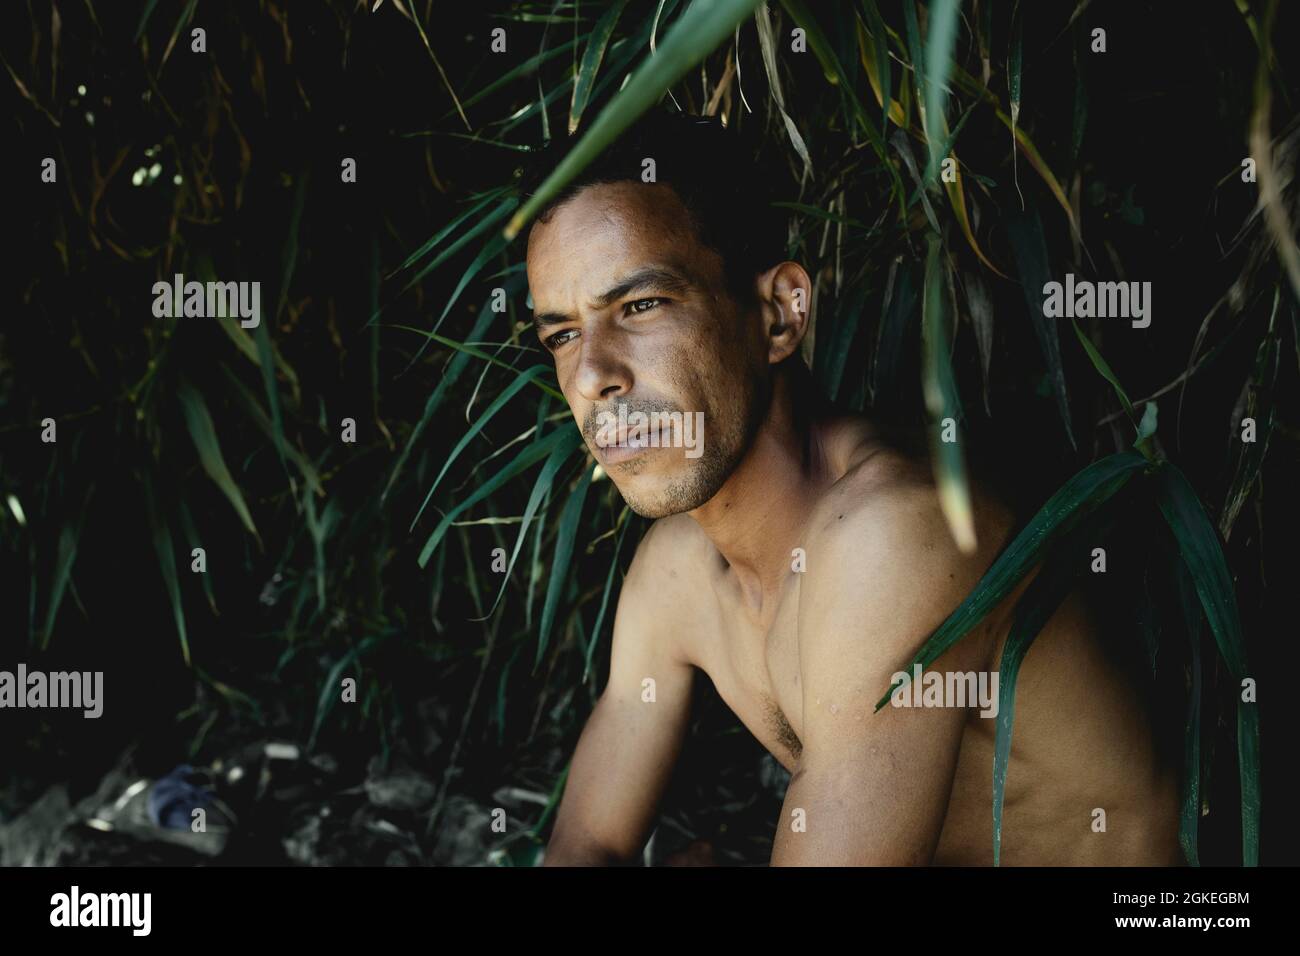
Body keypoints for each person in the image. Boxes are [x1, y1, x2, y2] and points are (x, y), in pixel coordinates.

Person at [521, 111, 1181, 866]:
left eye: (638, 307)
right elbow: (586, 846)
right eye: (562, 335)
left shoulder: (895, 537)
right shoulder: (673, 573)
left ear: (778, 313)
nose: (591, 376)